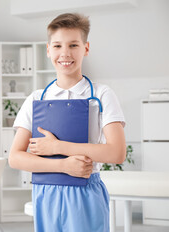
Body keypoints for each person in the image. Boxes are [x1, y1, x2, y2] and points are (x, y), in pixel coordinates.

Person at [8, 13, 126, 232]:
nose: (65, 53)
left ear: (86, 48)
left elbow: (117, 153)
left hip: (85, 192)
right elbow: (15, 158)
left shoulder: (101, 95)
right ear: (48, 50)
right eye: (57, 46)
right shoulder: (36, 99)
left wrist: (57, 147)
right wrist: (62, 165)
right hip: (45, 193)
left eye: (73, 45)